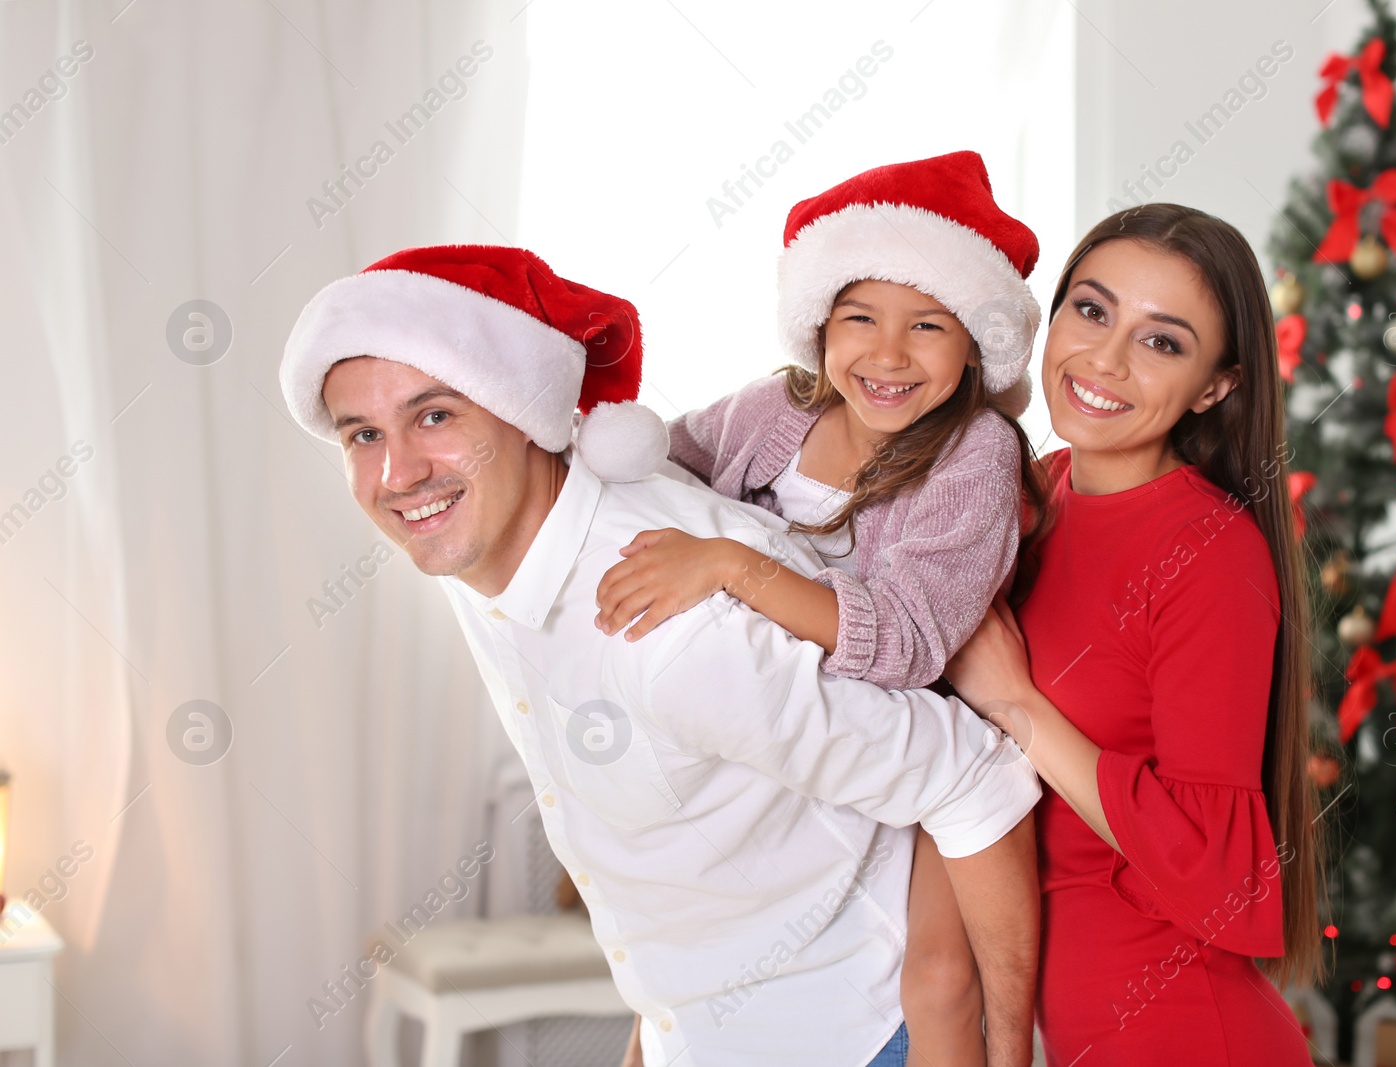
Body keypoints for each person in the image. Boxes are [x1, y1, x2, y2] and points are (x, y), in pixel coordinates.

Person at [277, 243, 1042, 1067]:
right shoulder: (482, 554)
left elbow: (971, 774)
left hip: (848, 1033)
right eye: (363, 433)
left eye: (435, 415)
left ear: (524, 411)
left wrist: (1002, 1044)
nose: (399, 472)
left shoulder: (673, 637)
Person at [590, 151, 1050, 1067]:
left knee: (937, 983)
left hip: (917, 740)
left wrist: (729, 565)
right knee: (677, 977)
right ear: (819, 327)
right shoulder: (776, 410)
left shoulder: (974, 452)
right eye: (860, 319)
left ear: (973, 345)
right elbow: (663, 473)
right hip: (780, 732)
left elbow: (910, 644)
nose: (887, 354)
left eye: (928, 325)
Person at [945, 205, 1324, 1066]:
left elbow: (1221, 879)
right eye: (1093, 309)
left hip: (1178, 1026)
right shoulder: (1040, 491)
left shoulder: (1211, 553)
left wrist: (1021, 706)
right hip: (1068, 1023)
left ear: (1217, 385)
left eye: (1163, 342)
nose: (1105, 359)